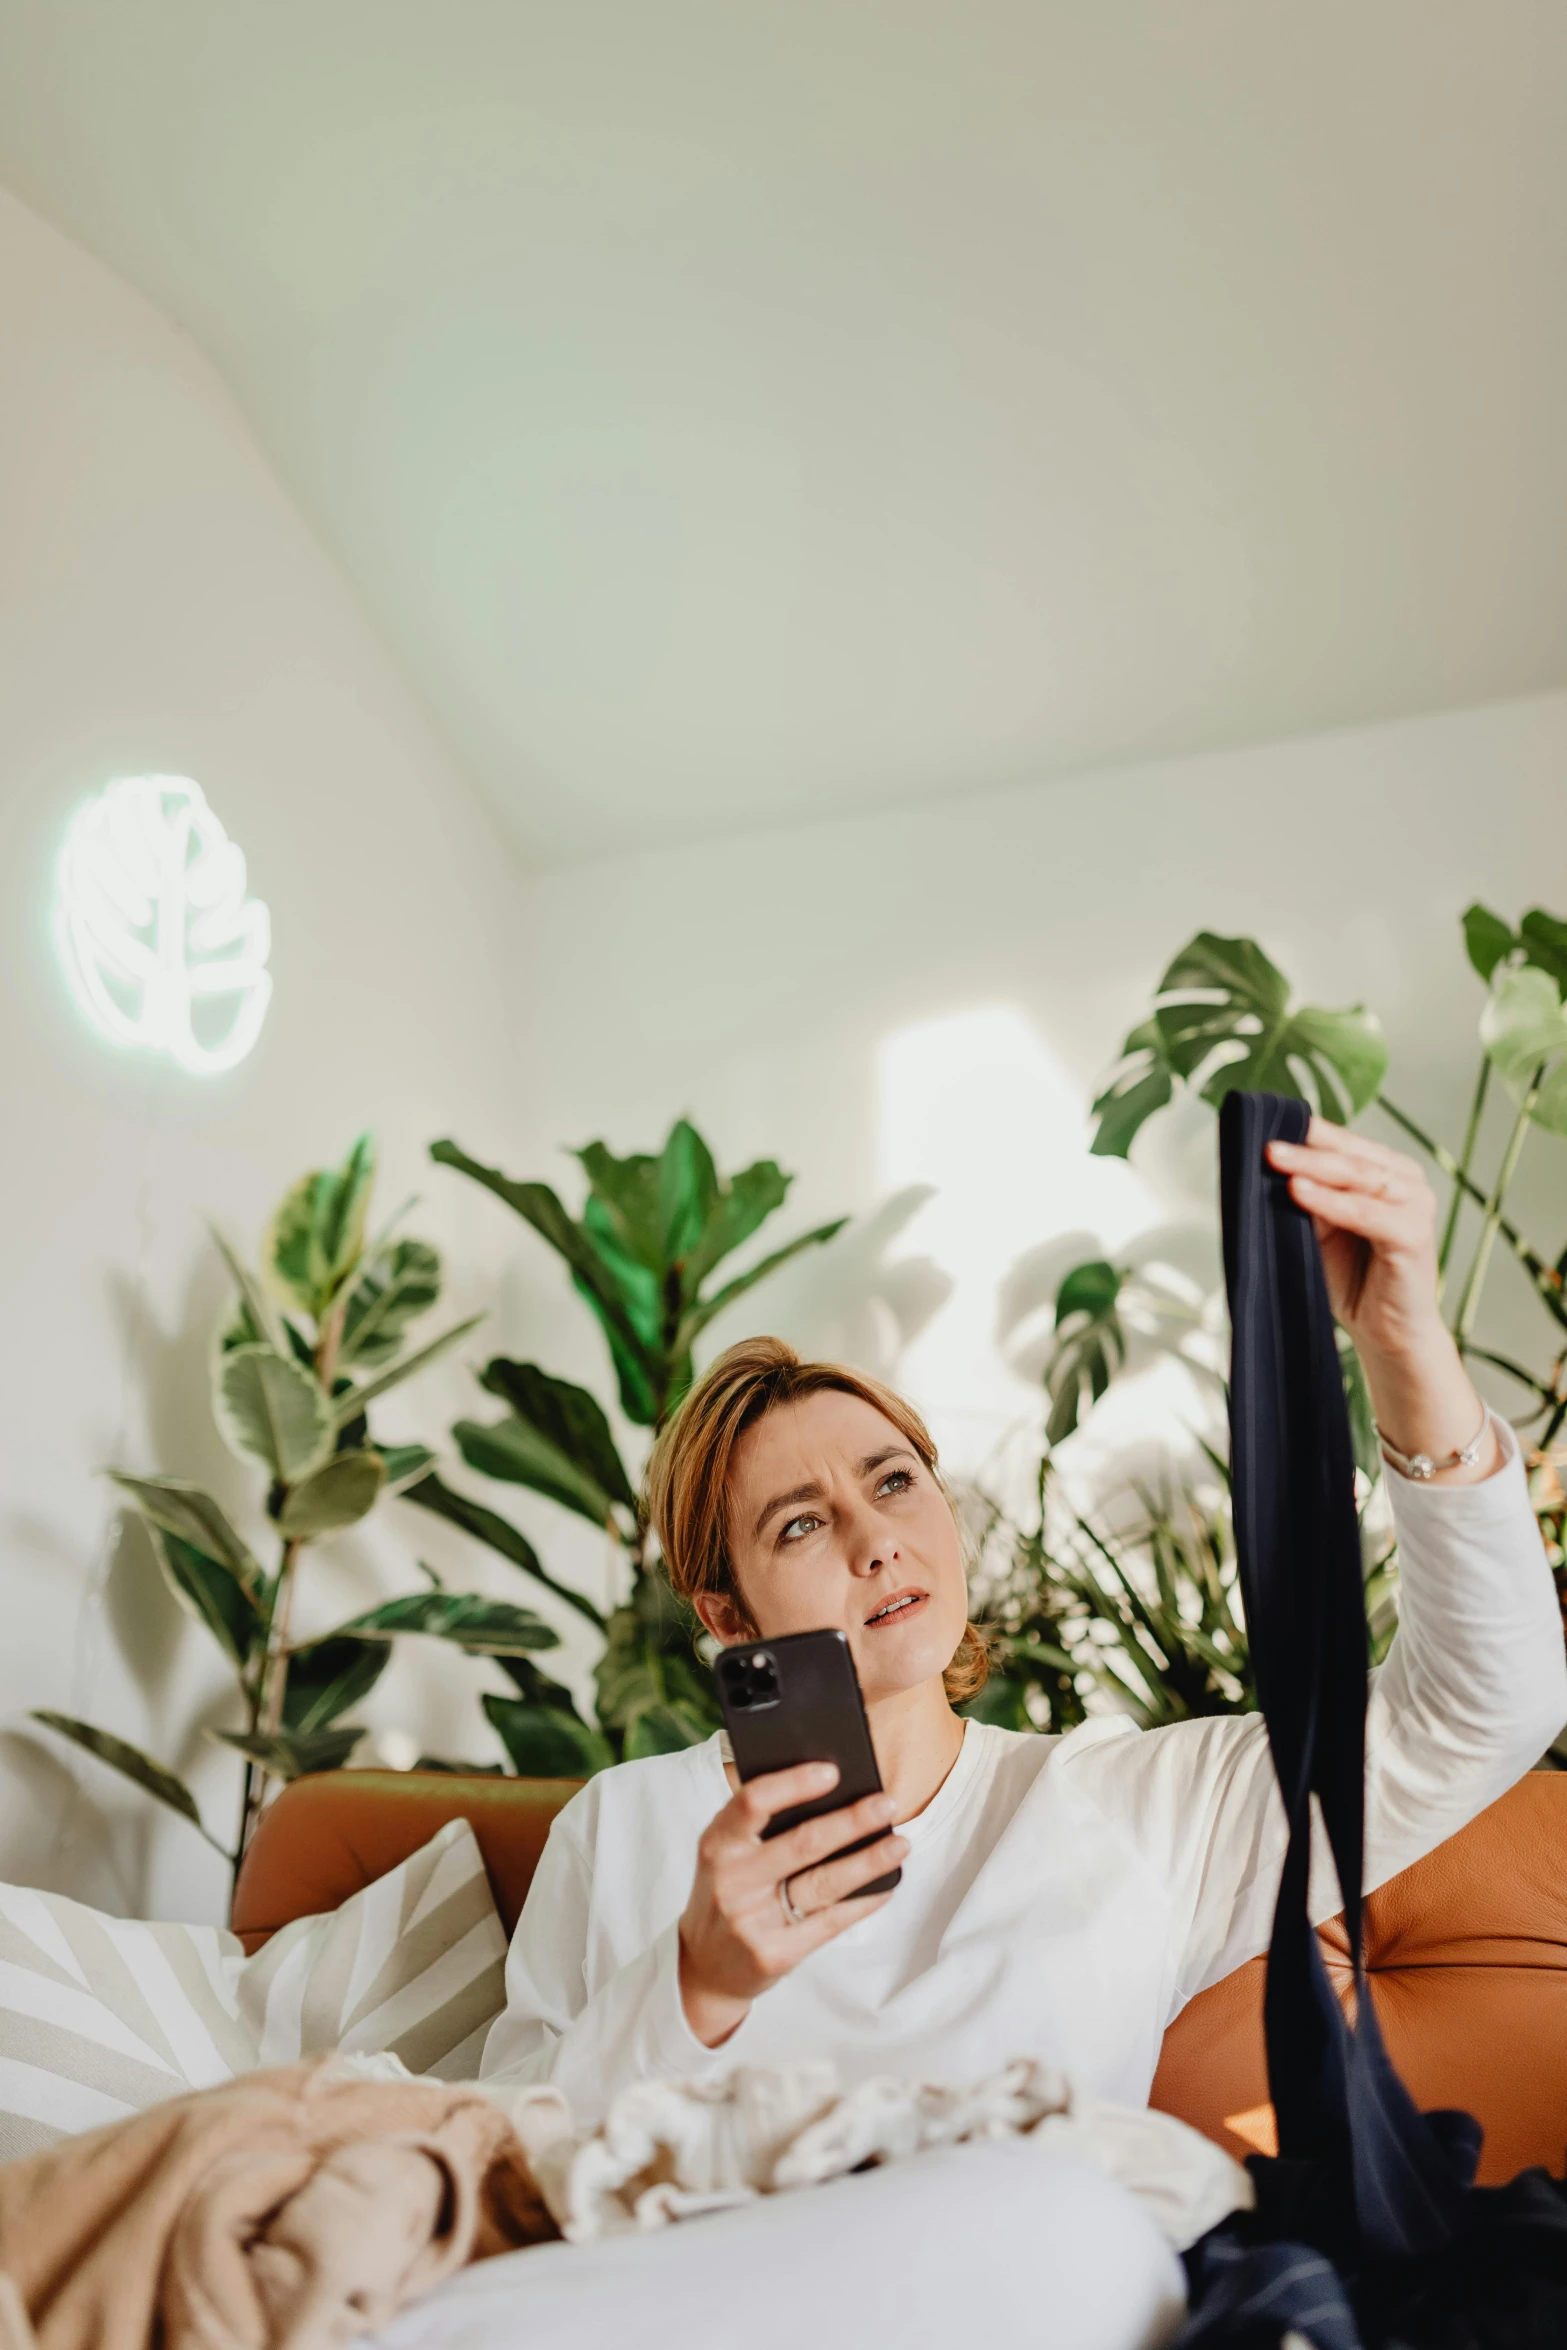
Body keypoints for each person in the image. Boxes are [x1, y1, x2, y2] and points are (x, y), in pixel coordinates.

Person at [466, 1118, 1565, 2349]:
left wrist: (1401, 1340)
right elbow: (507, 2171)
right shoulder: (623, 1825)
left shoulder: (1132, 1802)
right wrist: (696, 1982)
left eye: (893, 1480)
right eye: (797, 1524)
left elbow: (1489, 1704)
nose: (875, 1537)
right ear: (726, 1610)